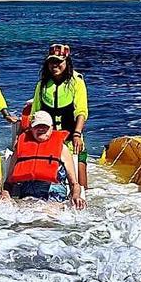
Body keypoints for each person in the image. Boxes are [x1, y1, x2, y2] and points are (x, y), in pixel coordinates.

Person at [30, 43, 89, 191]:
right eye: (51, 62)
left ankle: (83, 194)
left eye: (59, 62)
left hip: (71, 138)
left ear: (67, 62)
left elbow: (81, 111)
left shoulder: (77, 83)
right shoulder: (42, 85)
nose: (54, 65)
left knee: (79, 170)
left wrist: (77, 134)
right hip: (47, 139)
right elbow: (34, 113)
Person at [2, 110, 85, 208]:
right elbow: (8, 183)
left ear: (51, 128)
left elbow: (74, 183)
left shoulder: (62, 149)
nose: (41, 129)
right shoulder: (20, 148)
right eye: (37, 126)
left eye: (45, 126)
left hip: (54, 200)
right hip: (27, 201)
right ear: (31, 129)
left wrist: (76, 195)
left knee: (47, 215)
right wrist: (5, 194)